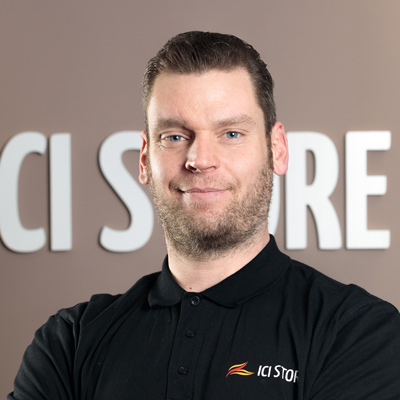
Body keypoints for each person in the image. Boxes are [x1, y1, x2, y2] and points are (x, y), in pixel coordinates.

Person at [8, 31, 400, 400]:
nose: (199, 160)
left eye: (231, 134)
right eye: (175, 137)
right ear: (145, 158)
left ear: (277, 149)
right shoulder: (70, 342)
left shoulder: (356, 331)